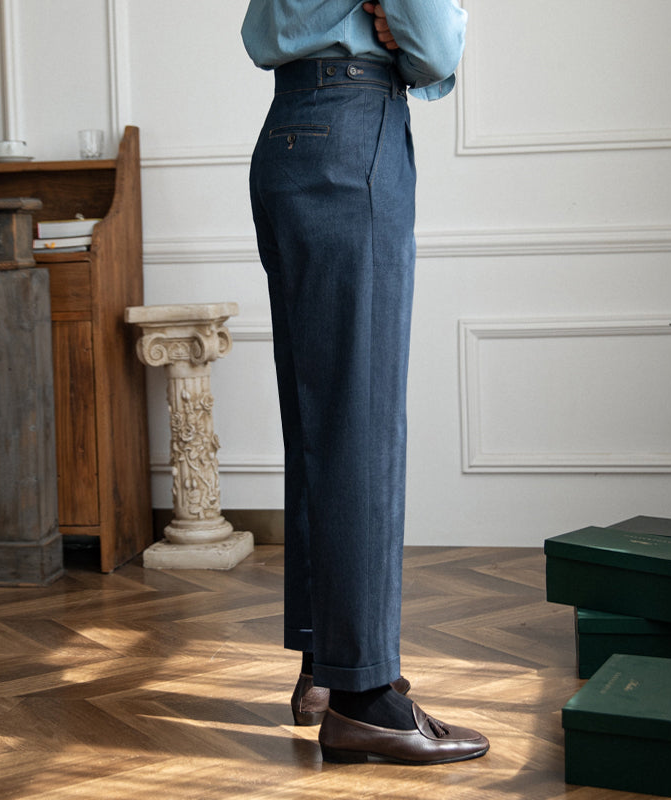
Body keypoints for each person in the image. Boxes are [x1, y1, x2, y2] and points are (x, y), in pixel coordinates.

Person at [242, 1, 489, 765]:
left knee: (321, 419)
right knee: (360, 422)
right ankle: (366, 699)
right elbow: (434, 44)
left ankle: (325, 665)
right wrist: (437, 28)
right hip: (353, 131)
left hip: (288, 131)